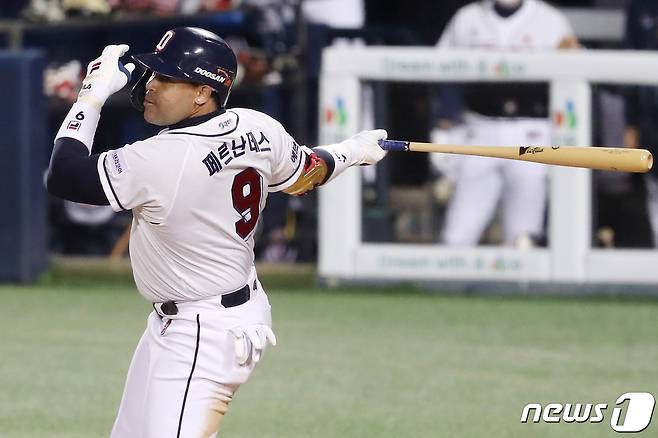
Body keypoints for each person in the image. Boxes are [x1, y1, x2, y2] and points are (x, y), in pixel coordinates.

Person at [45, 27, 387, 437]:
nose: (151, 86)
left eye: (167, 79)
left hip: (204, 329)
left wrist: (92, 96)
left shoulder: (161, 159)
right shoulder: (257, 127)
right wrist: (353, 151)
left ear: (203, 93)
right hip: (200, 317)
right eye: (153, 75)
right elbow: (306, 172)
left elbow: (65, 175)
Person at [435, 0, 578, 246]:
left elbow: (573, 80)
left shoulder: (551, 20)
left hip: (531, 130)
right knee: (456, 235)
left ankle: (522, 285)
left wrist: (563, 138)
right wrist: (444, 125)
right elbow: (441, 73)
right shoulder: (468, 18)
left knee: (523, 235)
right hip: (479, 128)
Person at [624, 0, 658, 246]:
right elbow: (630, 63)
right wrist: (631, 122)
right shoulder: (640, 6)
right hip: (651, 115)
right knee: (655, 191)